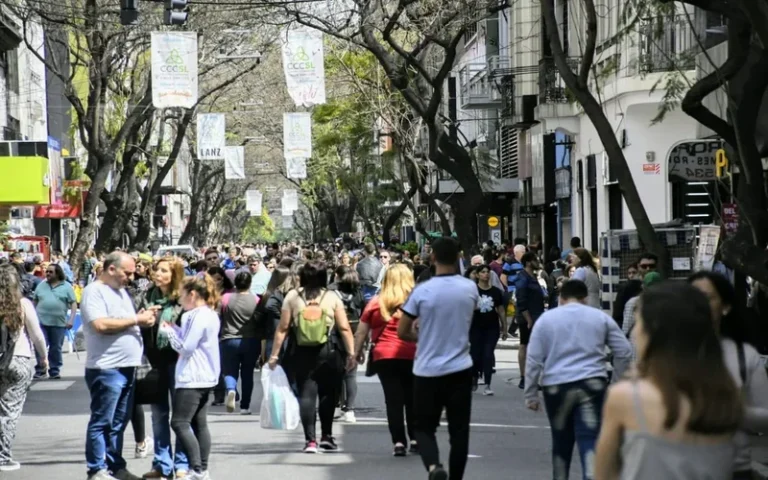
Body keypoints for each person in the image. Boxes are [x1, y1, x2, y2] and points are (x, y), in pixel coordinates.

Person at [594, 282, 743, 479]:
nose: (634, 332)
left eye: (638, 323)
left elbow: (604, 472)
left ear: (653, 330)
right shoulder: (728, 393)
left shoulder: (627, 396)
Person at [524, 280, 632, 480]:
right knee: (590, 439)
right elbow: (624, 351)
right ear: (586, 298)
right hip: (592, 383)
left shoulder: (547, 320)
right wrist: (616, 383)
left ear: (561, 298)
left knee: (561, 442)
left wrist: (531, 394)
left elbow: (534, 358)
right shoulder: (599, 318)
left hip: (556, 385)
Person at [398, 237, 478, 480]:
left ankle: (434, 466)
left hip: (427, 370)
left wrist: (419, 336)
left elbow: (402, 330)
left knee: (423, 427)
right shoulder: (469, 288)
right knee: (459, 433)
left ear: (432, 258)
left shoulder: (422, 291)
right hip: (460, 368)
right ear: (459, 258)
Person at [81, 252, 158, 480]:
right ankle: (96, 469)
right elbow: (101, 325)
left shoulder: (121, 292)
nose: (131, 277)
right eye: (127, 272)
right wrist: (136, 320)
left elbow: (124, 320)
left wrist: (141, 317)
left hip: (126, 366)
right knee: (102, 421)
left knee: (118, 422)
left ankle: (115, 466)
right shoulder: (94, 291)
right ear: (111, 269)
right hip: (107, 368)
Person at [268, 261, 357, 453]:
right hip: (329, 351)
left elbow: (282, 328)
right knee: (328, 395)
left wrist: (274, 354)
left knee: (306, 395)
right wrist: (351, 353)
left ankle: (310, 441)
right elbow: (344, 327)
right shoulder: (332, 297)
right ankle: (327, 436)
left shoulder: (292, 296)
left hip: (300, 351)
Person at [688, 271, 768, 479]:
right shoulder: (664, 355)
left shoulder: (745, 357)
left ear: (725, 307)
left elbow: (765, 418)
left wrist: (735, 411)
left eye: (707, 297)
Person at [354, 264, 418, 456]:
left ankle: (398, 442)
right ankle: (415, 439)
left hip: (384, 355)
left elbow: (361, 331)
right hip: (413, 354)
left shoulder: (375, 302)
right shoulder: (417, 301)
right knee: (413, 399)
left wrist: (356, 353)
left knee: (393, 400)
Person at [162, 275, 221, 480]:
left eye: (182, 294)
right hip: (207, 375)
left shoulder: (193, 315)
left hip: (192, 376)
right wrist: (176, 329)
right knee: (199, 423)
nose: (179, 299)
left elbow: (186, 347)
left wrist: (169, 333)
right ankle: (201, 468)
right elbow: (192, 339)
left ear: (192, 294)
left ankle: (197, 469)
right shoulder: (210, 314)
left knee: (179, 422)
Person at [138, 258, 188, 480]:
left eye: (163, 270)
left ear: (174, 274)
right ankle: (161, 464)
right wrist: (146, 317)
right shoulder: (148, 296)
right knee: (158, 415)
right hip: (154, 362)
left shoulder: (183, 299)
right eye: (156, 269)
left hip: (178, 363)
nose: (157, 273)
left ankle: (182, 464)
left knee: (180, 418)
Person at [0, 264, 48, 472]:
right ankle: (3, 455)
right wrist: (44, 359)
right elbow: (36, 335)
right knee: (9, 410)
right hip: (18, 360)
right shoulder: (23, 304)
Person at [220, 272, 260, 415]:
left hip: (228, 339)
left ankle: (231, 389)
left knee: (230, 370)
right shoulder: (256, 300)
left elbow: (219, 316)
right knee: (247, 374)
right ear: (250, 283)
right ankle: (245, 406)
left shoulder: (225, 298)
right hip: (250, 340)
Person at [329, 265, 364, 423]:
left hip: (335, 334)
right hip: (355, 333)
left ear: (337, 275)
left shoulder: (331, 291)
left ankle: (336, 405)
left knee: (335, 372)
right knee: (351, 374)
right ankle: (349, 409)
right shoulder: (358, 292)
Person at [32, 263, 77, 380]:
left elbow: (73, 303)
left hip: (59, 323)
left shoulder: (66, 286)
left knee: (56, 347)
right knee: (39, 346)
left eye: (51, 272)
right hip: (41, 322)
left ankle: (54, 370)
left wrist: (71, 319)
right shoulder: (42, 285)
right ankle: (41, 369)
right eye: (47, 271)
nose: (48, 274)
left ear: (58, 273)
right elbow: (35, 301)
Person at [470, 264, 507, 395]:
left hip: (492, 327)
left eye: (488, 272)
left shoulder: (496, 292)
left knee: (487, 354)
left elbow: (501, 310)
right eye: (483, 272)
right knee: (475, 355)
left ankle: (487, 384)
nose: (486, 274)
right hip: (475, 327)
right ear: (478, 274)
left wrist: (504, 328)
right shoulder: (473, 291)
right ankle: (474, 376)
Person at [514, 252, 546, 390]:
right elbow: (521, 299)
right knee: (525, 345)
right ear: (528, 262)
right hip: (528, 317)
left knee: (533, 347)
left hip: (536, 315)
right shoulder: (523, 277)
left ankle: (531, 378)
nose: (537, 261)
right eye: (535, 259)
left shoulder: (532, 276)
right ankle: (524, 378)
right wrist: (528, 319)